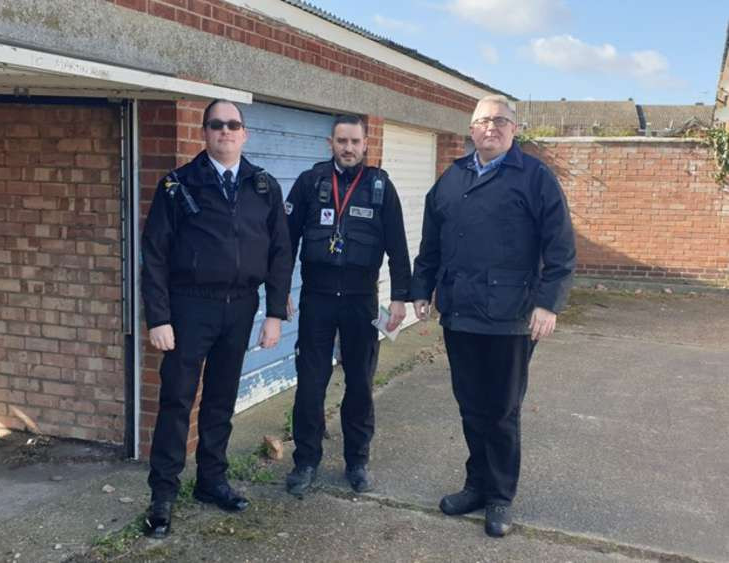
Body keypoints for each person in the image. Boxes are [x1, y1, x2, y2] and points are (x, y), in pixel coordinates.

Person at [411, 95, 576, 537]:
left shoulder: (536, 178)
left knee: (501, 411)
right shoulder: (452, 178)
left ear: (514, 129)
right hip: (460, 313)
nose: (491, 127)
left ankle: (500, 496)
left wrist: (549, 302)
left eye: (501, 121)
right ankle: (476, 486)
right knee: (470, 405)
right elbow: (432, 243)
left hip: (510, 318)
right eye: (483, 121)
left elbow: (560, 248)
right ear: (471, 130)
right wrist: (421, 289)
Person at [140, 99, 292, 538]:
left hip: (241, 306)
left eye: (233, 125)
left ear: (244, 133)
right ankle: (163, 495)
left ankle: (211, 481)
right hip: (190, 306)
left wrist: (275, 314)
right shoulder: (178, 185)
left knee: (222, 400)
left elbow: (280, 253)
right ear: (204, 133)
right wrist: (159, 317)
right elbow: (154, 255)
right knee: (176, 400)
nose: (225, 131)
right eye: (216, 125)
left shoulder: (263, 186)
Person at [284, 115, 411, 496]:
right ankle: (306, 461)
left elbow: (398, 247)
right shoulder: (310, 183)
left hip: (361, 300)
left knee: (359, 384)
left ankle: (357, 461)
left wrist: (400, 297)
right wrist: (279, 293)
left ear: (366, 143)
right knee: (310, 385)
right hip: (317, 299)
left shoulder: (380, 187)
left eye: (355, 141)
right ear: (330, 143)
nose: (348, 147)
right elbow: (285, 243)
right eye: (341, 140)